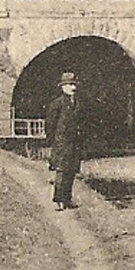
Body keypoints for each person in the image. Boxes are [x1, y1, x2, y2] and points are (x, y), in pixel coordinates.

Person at [43, 71, 86, 210]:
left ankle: (68, 199)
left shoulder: (78, 103)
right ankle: (59, 200)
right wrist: (54, 141)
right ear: (63, 87)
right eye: (69, 85)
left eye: (74, 85)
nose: (73, 88)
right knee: (61, 172)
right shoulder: (57, 104)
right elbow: (50, 124)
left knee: (71, 171)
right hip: (62, 143)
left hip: (74, 143)